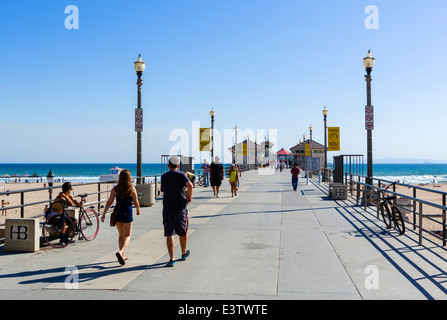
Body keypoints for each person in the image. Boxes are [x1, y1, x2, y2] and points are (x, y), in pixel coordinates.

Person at [101, 169, 141, 266]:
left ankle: (122, 255)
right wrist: (138, 209)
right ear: (129, 178)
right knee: (127, 235)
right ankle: (121, 252)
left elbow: (109, 201)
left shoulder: (115, 189)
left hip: (117, 213)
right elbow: (136, 201)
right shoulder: (131, 189)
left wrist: (104, 213)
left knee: (121, 235)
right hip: (127, 212)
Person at [161, 156, 193, 267]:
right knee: (182, 231)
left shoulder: (164, 176)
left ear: (168, 165)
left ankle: (172, 259)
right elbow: (190, 185)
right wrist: (189, 196)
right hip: (180, 208)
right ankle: (183, 254)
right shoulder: (181, 175)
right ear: (178, 166)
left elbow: (163, 190)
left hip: (168, 208)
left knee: (170, 233)